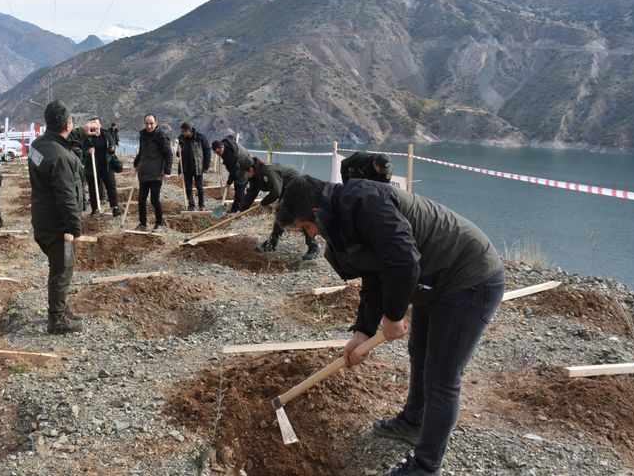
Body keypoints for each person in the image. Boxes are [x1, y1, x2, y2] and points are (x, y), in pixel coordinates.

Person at [276, 175, 505, 476]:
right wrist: (363, 332)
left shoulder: (366, 203)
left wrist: (394, 316)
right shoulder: (343, 219)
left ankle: (426, 466)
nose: (312, 235)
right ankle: (413, 423)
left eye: (307, 228)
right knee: (420, 355)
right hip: (434, 280)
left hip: (468, 276)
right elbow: (374, 274)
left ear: (316, 213)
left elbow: (404, 262)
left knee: (442, 376)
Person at [28, 99, 99, 335]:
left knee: (58, 266)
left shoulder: (38, 145)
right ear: (67, 123)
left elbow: (56, 140)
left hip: (43, 220)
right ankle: (56, 319)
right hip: (60, 227)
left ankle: (60, 306)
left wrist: (80, 131)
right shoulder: (61, 158)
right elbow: (67, 198)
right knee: (63, 268)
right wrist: (75, 230)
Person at [239, 156, 319, 260]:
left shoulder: (268, 171)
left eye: (244, 173)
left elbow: (275, 192)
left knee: (300, 216)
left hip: (298, 186)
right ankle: (272, 243)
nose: (244, 176)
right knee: (281, 214)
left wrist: (264, 202)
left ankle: (313, 247)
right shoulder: (255, 176)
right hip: (286, 189)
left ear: (250, 169)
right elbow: (251, 193)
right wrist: (242, 209)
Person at [132, 114, 172, 232]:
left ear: (156, 123)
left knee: (154, 200)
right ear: (144, 123)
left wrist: (167, 172)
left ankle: (159, 224)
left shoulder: (161, 136)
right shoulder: (143, 135)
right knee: (141, 199)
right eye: (147, 123)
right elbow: (141, 152)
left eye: (151, 123)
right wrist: (136, 164)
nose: (149, 126)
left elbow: (168, 154)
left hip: (156, 174)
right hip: (144, 173)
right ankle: (142, 224)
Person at [81, 118, 121, 217]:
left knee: (111, 186)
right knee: (93, 189)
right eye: (93, 127)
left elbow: (112, 147)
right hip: (92, 167)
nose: (95, 129)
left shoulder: (106, 134)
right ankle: (95, 209)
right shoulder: (87, 137)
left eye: (97, 126)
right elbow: (83, 152)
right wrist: (88, 151)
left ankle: (115, 207)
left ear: (100, 125)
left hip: (106, 165)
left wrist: (112, 149)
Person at [210, 134, 249, 213]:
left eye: (220, 152)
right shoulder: (226, 142)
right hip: (243, 161)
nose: (219, 154)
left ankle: (237, 210)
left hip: (246, 164)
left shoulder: (230, 156)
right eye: (217, 153)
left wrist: (228, 183)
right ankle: (242, 204)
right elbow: (231, 137)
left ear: (222, 147)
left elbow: (233, 172)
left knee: (239, 186)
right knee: (239, 185)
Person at [177, 122, 211, 210]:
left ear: (188, 130)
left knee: (199, 187)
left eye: (183, 131)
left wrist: (206, 166)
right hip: (186, 167)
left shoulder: (200, 138)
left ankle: (201, 205)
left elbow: (207, 151)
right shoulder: (181, 138)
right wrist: (178, 151)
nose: (182, 133)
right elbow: (178, 154)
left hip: (197, 167)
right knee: (188, 187)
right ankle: (191, 205)